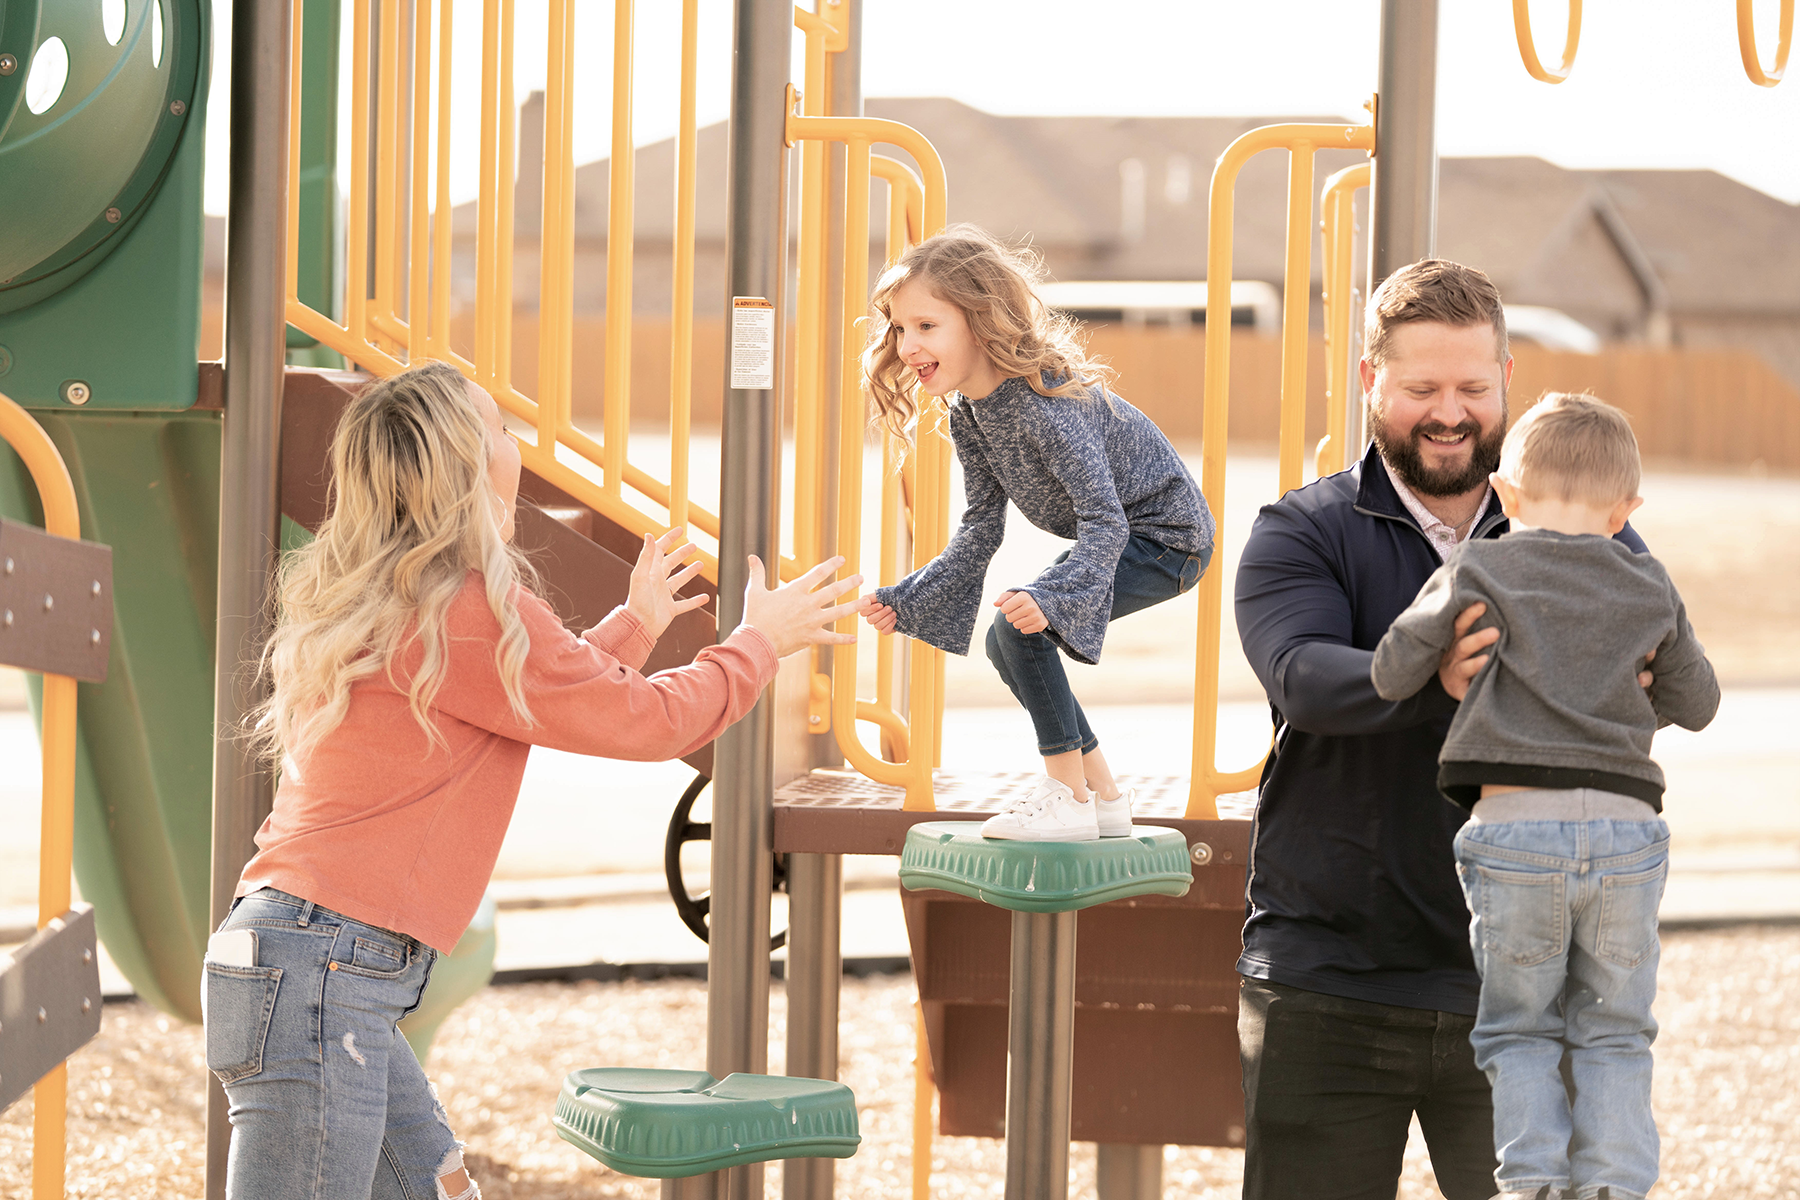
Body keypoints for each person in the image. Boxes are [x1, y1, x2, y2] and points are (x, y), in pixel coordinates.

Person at [201, 361, 860, 1200]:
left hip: (300, 961)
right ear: (470, 464)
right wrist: (756, 644)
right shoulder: (469, 605)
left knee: (440, 1186)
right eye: (503, 428)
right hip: (325, 972)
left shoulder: (404, 595)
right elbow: (649, 722)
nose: (516, 443)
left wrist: (637, 624)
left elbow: (544, 694)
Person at [1231, 260, 1655, 1200]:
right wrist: (1443, 679)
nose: (1450, 412)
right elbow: (1304, 679)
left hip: (1528, 983)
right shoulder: (1300, 533)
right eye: (1422, 388)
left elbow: (1651, 667)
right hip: (1330, 975)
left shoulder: (1596, 532)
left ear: (1507, 378)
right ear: (1372, 380)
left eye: (1472, 386)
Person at [1371, 392, 1718, 1200]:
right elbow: (1697, 703)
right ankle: (1613, 1185)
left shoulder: (1480, 565)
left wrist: (1452, 659)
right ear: (1626, 510)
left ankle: (1533, 1184)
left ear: (1507, 496)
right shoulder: (1648, 582)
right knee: (1616, 1030)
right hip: (1629, 831)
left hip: (1516, 828)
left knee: (1520, 1027)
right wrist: (1627, 697)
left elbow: (1391, 671)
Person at [853, 225, 1214, 841]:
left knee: (1020, 629)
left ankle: (1066, 800)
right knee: (1009, 640)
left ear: (981, 319)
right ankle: (1099, 794)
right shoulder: (970, 411)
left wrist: (1050, 599)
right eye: (897, 327)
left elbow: (1107, 519)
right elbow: (980, 526)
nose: (906, 344)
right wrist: (910, 596)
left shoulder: (1044, 405)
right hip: (1120, 536)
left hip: (1167, 541)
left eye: (925, 326)